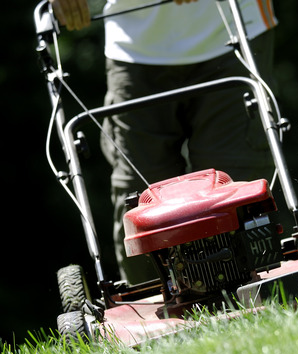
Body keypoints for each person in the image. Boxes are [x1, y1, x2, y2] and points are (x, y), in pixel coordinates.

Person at [50, 0, 278, 285]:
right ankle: (155, 309)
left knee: (239, 188)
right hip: (133, 47)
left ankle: (267, 288)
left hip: (231, 29)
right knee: (138, 199)